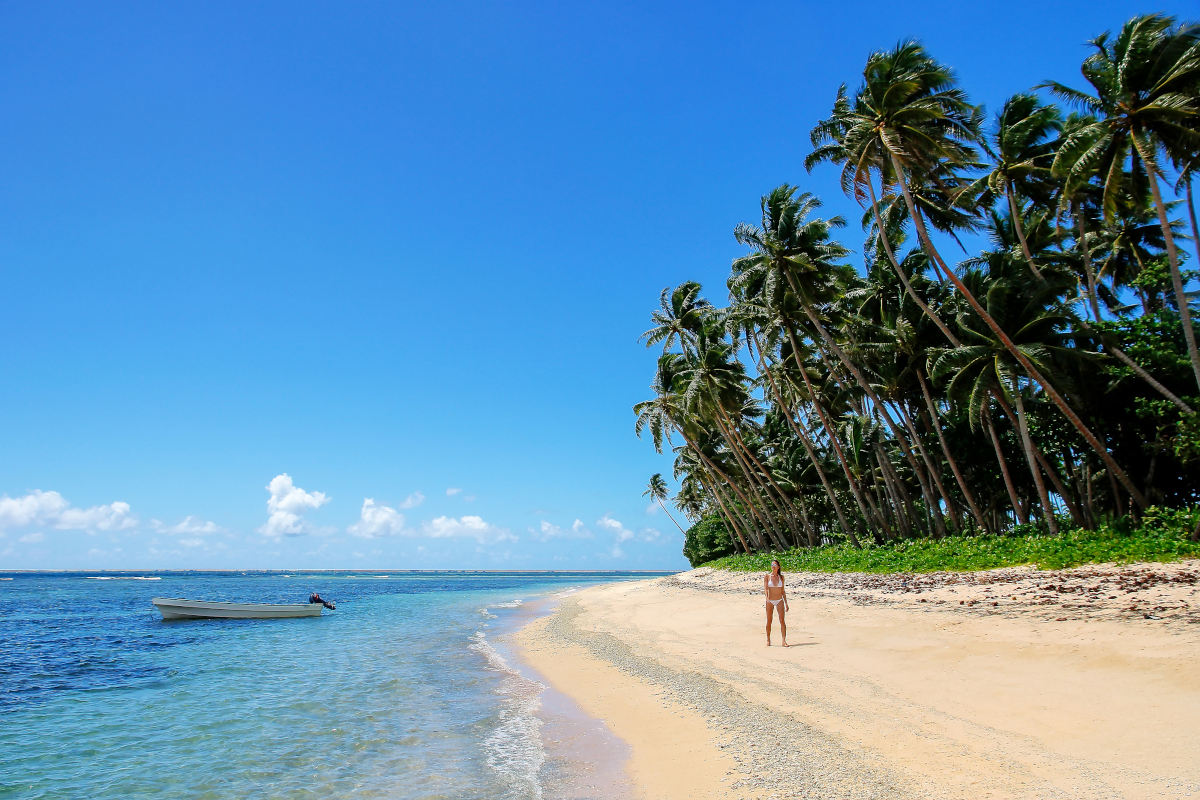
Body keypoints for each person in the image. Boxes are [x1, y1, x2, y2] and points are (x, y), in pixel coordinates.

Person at [764, 559, 788, 647]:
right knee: (769, 620)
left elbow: (783, 591)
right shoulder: (767, 576)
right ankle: (768, 639)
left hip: (779, 600)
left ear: (778, 567)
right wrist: (767, 598)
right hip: (770, 600)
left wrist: (786, 603)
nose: (773, 566)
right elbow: (766, 588)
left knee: (782, 621)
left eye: (774, 565)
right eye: (772, 564)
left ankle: (784, 640)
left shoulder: (781, 577)